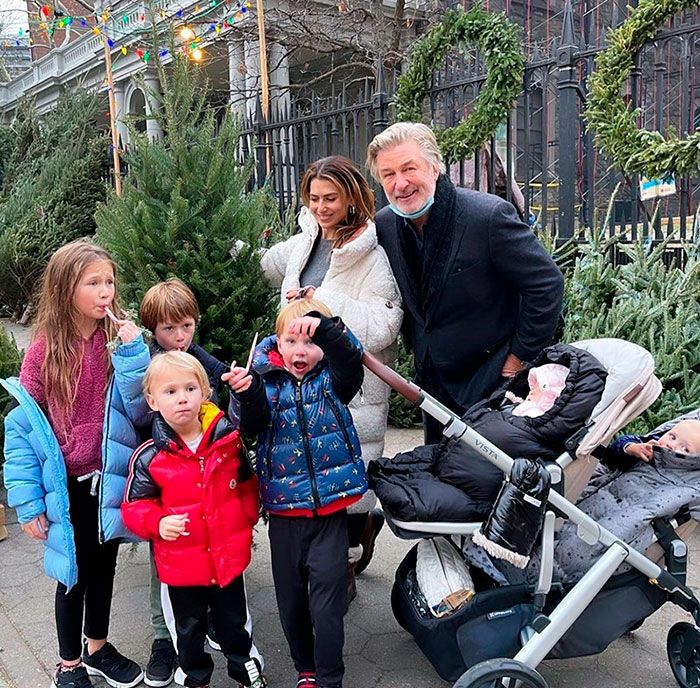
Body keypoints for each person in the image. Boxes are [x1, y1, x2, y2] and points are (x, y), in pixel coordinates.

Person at [2, 238, 148, 688]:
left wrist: (132, 356)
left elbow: (140, 410)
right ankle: (68, 666)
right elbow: (23, 428)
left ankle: (97, 647)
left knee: (104, 566)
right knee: (72, 573)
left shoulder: (116, 341)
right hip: (65, 486)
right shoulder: (44, 349)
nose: (106, 291)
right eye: (94, 283)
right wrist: (27, 505)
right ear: (67, 289)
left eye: (109, 281)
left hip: (108, 479)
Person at [367, 122, 565, 443]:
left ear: (434, 168)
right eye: (388, 174)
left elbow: (546, 285)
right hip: (432, 382)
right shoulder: (386, 225)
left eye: (409, 168)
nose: (400, 183)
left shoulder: (487, 216)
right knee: (442, 476)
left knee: (489, 480)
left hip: (492, 379)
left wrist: (517, 359)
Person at [260, 156, 403, 577]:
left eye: (331, 199)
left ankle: (358, 544)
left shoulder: (370, 254)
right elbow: (269, 263)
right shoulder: (306, 240)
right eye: (314, 198)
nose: (322, 208)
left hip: (349, 388)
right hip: (299, 376)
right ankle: (330, 569)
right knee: (315, 474)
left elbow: (386, 323)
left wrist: (325, 306)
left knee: (347, 482)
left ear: (351, 198)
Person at [224, 298, 368, 688]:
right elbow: (249, 426)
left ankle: (329, 678)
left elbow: (351, 358)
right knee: (290, 601)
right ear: (277, 343)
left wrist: (325, 328)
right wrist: (247, 392)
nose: (300, 351)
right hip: (285, 513)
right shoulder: (265, 380)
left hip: (330, 513)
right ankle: (305, 669)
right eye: (292, 341)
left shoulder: (333, 380)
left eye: (310, 342)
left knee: (327, 605)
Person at [122, 352, 265, 688]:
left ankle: (247, 671)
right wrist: (157, 524)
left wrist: (245, 523)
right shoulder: (150, 455)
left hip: (227, 562)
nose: (182, 398)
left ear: (205, 392)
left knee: (236, 625)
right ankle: (195, 677)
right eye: (170, 392)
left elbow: (246, 484)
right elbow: (134, 506)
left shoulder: (227, 440)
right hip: (180, 570)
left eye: (190, 388)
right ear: (152, 401)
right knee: (188, 633)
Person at [137, 277, 251, 685]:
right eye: (169, 329)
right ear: (153, 329)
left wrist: (240, 384)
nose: (180, 337)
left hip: (208, 475)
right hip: (166, 481)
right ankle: (163, 638)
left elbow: (223, 382)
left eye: (187, 326)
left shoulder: (196, 356)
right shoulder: (146, 362)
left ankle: (220, 626)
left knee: (214, 558)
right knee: (164, 566)